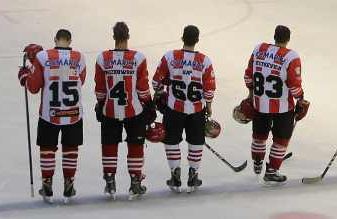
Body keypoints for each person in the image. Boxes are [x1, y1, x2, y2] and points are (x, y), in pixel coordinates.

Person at [17, 29, 87, 204]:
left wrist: (25, 75)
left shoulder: (43, 57)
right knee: (70, 148)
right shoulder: (80, 57)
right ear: (70, 42)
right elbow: (81, 80)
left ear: (55, 40)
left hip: (50, 112)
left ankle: (47, 185)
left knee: (47, 148)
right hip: (73, 112)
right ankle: (69, 184)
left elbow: (33, 88)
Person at [240, 24, 307, 185]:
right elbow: (294, 85)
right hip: (282, 108)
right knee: (281, 140)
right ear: (288, 39)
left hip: (259, 104)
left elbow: (248, 75)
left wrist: (251, 94)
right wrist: (301, 99)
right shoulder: (291, 56)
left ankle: (257, 163)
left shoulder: (259, 49)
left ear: (274, 37)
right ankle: (272, 171)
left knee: (259, 136)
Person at [153, 25, 216, 193]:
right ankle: (193, 175)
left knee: (171, 141)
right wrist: (208, 105)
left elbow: (156, 82)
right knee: (196, 142)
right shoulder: (205, 60)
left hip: (174, 109)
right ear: (197, 40)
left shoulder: (169, 57)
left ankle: (175, 175)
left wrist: (160, 96)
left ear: (182, 38)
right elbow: (209, 87)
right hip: (196, 110)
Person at [95, 21, 153, 200]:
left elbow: (100, 88)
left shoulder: (103, 58)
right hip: (133, 111)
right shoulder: (138, 58)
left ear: (114, 37)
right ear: (128, 36)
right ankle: (135, 182)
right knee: (135, 145)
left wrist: (100, 104)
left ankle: (109, 181)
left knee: (109, 145)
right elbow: (143, 88)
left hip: (110, 111)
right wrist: (149, 105)